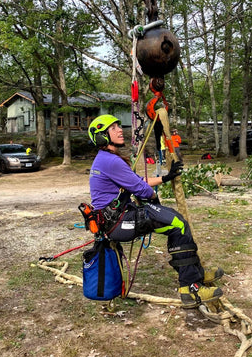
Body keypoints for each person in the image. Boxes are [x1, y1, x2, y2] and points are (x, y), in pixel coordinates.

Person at [88, 115, 223, 308]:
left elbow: (137, 182)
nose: (120, 130)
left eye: (118, 126)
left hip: (117, 219)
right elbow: (143, 190)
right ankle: (190, 288)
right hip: (119, 222)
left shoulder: (105, 159)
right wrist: (154, 200)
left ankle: (197, 273)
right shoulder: (111, 161)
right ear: (102, 136)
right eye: (114, 128)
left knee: (175, 225)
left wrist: (166, 177)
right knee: (177, 224)